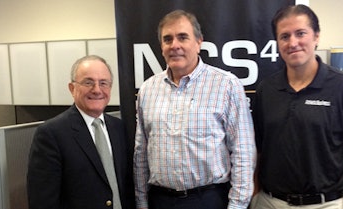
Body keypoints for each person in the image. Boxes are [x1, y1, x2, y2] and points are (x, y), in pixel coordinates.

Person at [251, 4, 343, 209]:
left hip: (326, 204)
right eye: (285, 36)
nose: (293, 43)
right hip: (270, 202)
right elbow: (257, 149)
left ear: (316, 36)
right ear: (278, 43)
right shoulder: (266, 89)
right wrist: (255, 196)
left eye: (300, 33)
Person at [133, 9, 256, 209]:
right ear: (161, 46)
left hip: (208, 200)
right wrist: (141, 202)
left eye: (183, 37)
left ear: (199, 42)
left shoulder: (226, 85)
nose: (175, 46)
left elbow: (243, 152)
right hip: (160, 200)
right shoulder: (148, 89)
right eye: (167, 39)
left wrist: (237, 206)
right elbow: (141, 153)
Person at [27, 55, 134, 209]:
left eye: (103, 83)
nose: (97, 90)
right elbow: (42, 201)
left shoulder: (119, 128)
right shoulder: (51, 134)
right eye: (88, 82)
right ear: (72, 88)